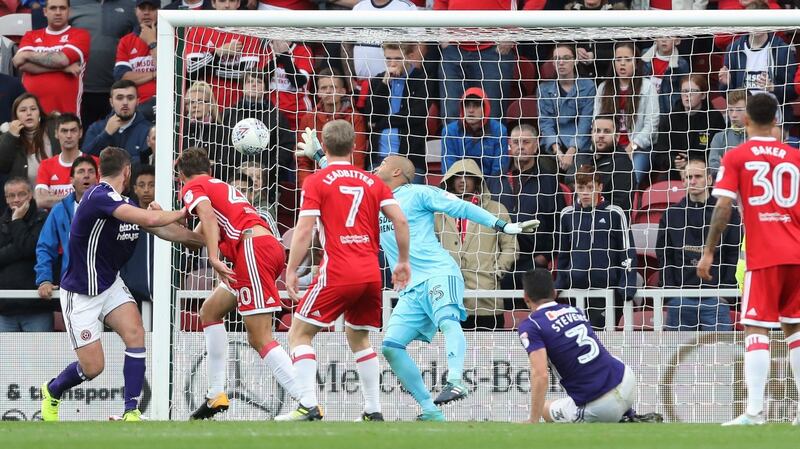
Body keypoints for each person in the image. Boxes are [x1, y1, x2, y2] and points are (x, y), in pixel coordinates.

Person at [369, 155, 538, 421]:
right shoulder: (374, 199)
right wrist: (322, 157)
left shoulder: (419, 193)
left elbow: (463, 208)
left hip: (439, 272)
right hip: (411, 288)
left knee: (448, 321)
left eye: (383, 163)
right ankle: (430, 410)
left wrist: (504, 225)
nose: (377, 166)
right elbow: (346, 184)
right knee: (391, 346)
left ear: (397, 171)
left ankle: (456, 379)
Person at [40, 147, 202, 421]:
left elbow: (160, 228)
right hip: (80, 292)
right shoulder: (98, 196)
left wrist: (205, 240)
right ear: (127, 171)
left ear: (101, 169)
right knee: (93, 368)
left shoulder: (123, 202)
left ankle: (131, 411)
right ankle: (53, 390)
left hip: (109, 285)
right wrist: (187, 209)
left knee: (135, 334)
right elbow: (152, 219)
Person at [281, 119, 411, 421]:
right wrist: (403, 261)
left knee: (299, 334)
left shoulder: (316, 181)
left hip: (338, 269)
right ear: (355, 147)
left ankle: (308, 404)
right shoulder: (372, 182)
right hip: (370, 272)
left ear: (323, 147)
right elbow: (401, 222)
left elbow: (304, 231)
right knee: (359, 338)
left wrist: (291, 269)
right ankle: (373, 409)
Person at [175, 147, 302, 420]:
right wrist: (152, 221)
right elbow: (192, 236)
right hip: (257, 249)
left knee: (259, 337)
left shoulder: (193, 186)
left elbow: (206, 219)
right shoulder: (216, 186)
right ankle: (216, 394)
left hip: (253, 250)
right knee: (210, 312)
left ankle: (307, 399)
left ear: (181, 175)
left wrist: (212, 257)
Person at [698, 93, 800, 426]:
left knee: (756, 328)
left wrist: (709, 250)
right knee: (795, 330)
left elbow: (723, 208)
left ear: (745, 120)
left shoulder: (737, 156)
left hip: (765, 255)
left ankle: (755, 411)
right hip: (797, 254)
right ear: (776, 120)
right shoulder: (795, 157)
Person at [519, 268, 661, 424]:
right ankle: (629, 416)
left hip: (601, 408)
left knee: (545, 410)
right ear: (554, 292)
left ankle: (619, 417)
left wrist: (533, 419)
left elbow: (540, 375)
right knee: (602, 358)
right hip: (627, 381)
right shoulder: (574, 310)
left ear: (525, 297)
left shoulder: (531, 325)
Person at [658, 158, 740, 331]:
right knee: (677, 357)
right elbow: (665, 256)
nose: (692, 181)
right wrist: (671, 294)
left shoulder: (728, 214)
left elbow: (733, 255)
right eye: (688, 177)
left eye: (697, 176)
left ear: (709, 180)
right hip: (681, 298)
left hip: (715, 298)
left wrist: (724, 294)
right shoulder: (671, 214)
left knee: (718, 356)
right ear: (683, 181)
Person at [435, 159, 517, 330]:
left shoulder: (496, 210)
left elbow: (511, 247)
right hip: (448, 299)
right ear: (449, 180)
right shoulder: (438, 212)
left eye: (468, 176)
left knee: (489, 353)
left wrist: (497, 272)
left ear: (478, 180)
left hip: (486, 300)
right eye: (457, 176)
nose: (462, 181)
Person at [556, 164, 637, 330]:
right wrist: (559, 283)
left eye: (590, 187)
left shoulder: (614, 213)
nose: (585, 192)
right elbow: (563, 255)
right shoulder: (567, 215)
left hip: (607, 292)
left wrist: (627, 282)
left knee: (603, 341)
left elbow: (627, 252)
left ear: (600, 187)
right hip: (575, 292)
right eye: (581, 187)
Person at [491, 124, 562, 288]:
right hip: (499, 261)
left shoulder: (549, 181)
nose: (520, 146)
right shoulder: (495, 180)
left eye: (526, 142)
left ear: (536, 145)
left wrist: (545, 256)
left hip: (534, 263)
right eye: (515, 142)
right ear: (509, 145)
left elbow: (559, 224)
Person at [594, 42, 659, 185]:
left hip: (639, 149)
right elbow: (596, 120)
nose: (622, 64)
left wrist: (632, 147)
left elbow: (651, 126)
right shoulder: (603, 88)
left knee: (630, 179)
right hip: (609, 147)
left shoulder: (648, 87)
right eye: (618, 59)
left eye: (627, 60)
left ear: (636, 63)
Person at [184, 0, 269, 108]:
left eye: (232, 1)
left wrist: (208, 67)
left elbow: (245, 75)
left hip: (239, 105)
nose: (227, 5)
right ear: (213, 3)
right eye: (222, 1)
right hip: (206, 105)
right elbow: (191, 71)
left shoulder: (248, 30)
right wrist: (218, 52)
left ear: (238, 3)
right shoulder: (198, 29)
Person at [11, 0, 90, 116]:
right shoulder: (31, 35)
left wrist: (27, 54)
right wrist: (62, 69)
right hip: (31, 114)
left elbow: (62, 60)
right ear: (45, 11)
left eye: (62, 8)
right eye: (53, 8)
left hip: (65, 115)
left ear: (70, 12)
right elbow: (20, 63)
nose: (58, 12)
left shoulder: (80, 35)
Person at [35, 156, 98, 300]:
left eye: (91, 171)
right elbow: (45, 247)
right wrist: (44, 279)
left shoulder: (111, 208)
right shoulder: (60, 210)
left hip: (106, 285)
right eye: (81, 171)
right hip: (73, 287)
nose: (86, 175)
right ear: (71, 180)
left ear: (97, 178)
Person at [69, 0, 137, 128]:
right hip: (80, 90)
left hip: (117, 91)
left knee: (115, 142)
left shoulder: (130, 5)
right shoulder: (72, 3)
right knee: (83, 140)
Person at [364, 42, 429, 176]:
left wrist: (382, 123)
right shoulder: (378, 81)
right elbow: (371, 117)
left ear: (409, 57)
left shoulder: (421, 79)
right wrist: (383, 85)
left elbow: (417, 115)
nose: (392, 63)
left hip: (410, 160)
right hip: (378, 158)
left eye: (398, 59)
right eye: (388, 59)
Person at [296, 69, 367, 187]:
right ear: (317, 92)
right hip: (315, 183)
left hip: (345, 183)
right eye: (323, 88)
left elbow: (357, 158)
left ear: (343, 91)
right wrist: (307, 186)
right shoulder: (308, 118)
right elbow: (303, 162)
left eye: (333, 87)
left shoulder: (355, 118)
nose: (328, 91)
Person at [537, 43, 596, 176]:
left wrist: (571, 151)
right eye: (557, 58)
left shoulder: (588, 86)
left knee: (574, 177)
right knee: (545, 173)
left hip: (580, 146)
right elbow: (545, 123)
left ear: (575, 61)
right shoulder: (544, 89)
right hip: (553, 146)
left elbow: (585, 122)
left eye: (566, 58)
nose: (561, 62)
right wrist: (557, 150)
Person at [0, 177, 49, 331]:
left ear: (30, 195)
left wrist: (16, 221)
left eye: (21, 194)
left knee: (41, 356)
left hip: (36, 306)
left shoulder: (43, 219)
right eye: (11, 195)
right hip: (5, 309)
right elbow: (27, 247)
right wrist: (22, 247)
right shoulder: (1, 222)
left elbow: (30, 247)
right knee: (6, 356)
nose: (16, 200)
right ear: (6, 198)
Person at [654, 74, 725, 180]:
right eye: (684, 91)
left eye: (693, 91)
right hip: (676, 171)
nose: (688, 95)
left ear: (703, 95)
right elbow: (659, 153)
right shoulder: (670, 119)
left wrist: (692, 161)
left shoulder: (714, 118)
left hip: (704, 171)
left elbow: (718, 153)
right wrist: (674, 161)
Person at [719, 30, 797, 125]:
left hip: (775, 123)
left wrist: (773, 88)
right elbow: (726, 94)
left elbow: (793, 92)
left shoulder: (783, 49)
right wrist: (726, 84)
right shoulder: (734, 49)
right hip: (743, 124)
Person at [441, 87, 508, 180]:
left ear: (485, 108)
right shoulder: (449, 131)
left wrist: (484, 190)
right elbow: (449, 169)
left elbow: (498, 170)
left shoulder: (499, 131)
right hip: (459, 185)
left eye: (476, 105)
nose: (471, 110)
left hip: (490, 186)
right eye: (467, 105)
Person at [35, 113, 97, 209]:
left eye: (73, 131)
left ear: (80, 133)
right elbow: (40, 201)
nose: (69, 136)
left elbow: (100, 198)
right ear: (56, 133)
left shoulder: (96, 163)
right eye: (64, 131)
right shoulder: (46, 165)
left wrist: (54, 198)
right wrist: (81, 196)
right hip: (57, 223)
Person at [83, 80, 151, 166]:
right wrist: (106, 134)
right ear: (111, 102)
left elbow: (148, 162)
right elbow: (85, 160)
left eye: (130, 98)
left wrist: (113, 164)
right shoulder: (96, 128)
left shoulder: (148, 130)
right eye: (119, 98)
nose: (125, 103)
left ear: (137, 101)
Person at [576, 116, 635, 213]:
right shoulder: (583, 157)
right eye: (597, 131)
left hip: (608, 223)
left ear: (617, 136)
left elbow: (619, 207)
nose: (601, 135)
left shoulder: (622, 164)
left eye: (607, 131)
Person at [0, 93, 58, 191]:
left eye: (33, 109)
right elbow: (2, 166)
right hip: (26, 201)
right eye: (23, 110)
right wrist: (11, 136)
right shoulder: (8, 136)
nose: (29, 113)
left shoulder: (54, 128)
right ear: (16, 116)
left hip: (58, 196)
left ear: (39, 113)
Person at [120, 165, 157, 305]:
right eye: (142, 185)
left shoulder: (167, 218)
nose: (146, 189)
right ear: (135, 189)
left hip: (159, 291)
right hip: (128, 293)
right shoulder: (125, 218)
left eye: (151, 185)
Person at [114, 0, 160, 105]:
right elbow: (122, 77)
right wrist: (154, 74)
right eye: (143, 8)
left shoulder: (171, 36)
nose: (146, 13)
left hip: (161, 102)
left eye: (151, 8)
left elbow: (170, 74)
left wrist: (152, 42)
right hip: (133, 104)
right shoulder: (126, 41)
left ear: (159, 11)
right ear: (135, 11)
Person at [640, 37, 689, 115]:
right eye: (660, 36)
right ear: (655, 38)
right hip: (644, 104)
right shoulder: (644, 55)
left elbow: (683, 90)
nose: (664, 40)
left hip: (667, 109)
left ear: (677, 41)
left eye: (668, 37)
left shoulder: (682, 64)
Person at [708, 89, 748, 178]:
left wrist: (727, 167)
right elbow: (713, 168)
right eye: (730, 110)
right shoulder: (719, 137)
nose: (733, 115)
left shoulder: (757, 137)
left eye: (739, 110)